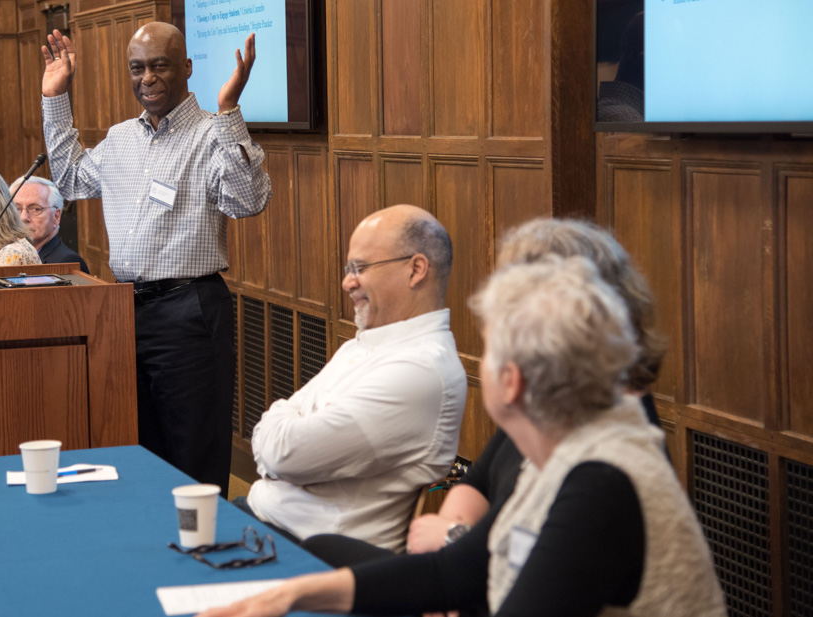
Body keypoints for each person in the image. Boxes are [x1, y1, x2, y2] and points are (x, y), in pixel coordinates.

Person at [200, 257, 726, 617]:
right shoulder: (564, 446)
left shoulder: (601, 480)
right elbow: (462, 569)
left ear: (512, 380)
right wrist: (288, 595)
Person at [305, 217, 669, 576]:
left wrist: (451, 540)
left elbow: (519, 565)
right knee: (320, 549)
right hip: (478, 570)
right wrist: (451, 546)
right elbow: (480, 482)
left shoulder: (609, 454)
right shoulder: (553, 396)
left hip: (499, 586)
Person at [39, 23, 271, 495]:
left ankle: (202, 554)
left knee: (193, 457)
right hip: (125, 312)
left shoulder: (212, 133)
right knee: (139, 453)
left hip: (190, 311)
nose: (147, 78)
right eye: (137, 68)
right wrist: (55, 97)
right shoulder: (121, 138)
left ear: (185, 68)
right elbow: (69, 180)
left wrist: (229, 111)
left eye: (159, 65)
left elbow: (248, 201)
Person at [241, 205, 466, 552]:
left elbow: (284, 455)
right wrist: (282, 434)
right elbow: (280, 442)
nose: (347, 282)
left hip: (311, 556)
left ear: (416, 269)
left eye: (360, 268)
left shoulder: (420, 370)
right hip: (263, 522)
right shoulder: (360, 345)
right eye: (349, 269)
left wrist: (284, 432)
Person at [8, 175, 89, 271]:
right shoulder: (8, 254)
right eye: (17, 209)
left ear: (56, 217)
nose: (23, 218)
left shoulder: (67, 262)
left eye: (35, 209)